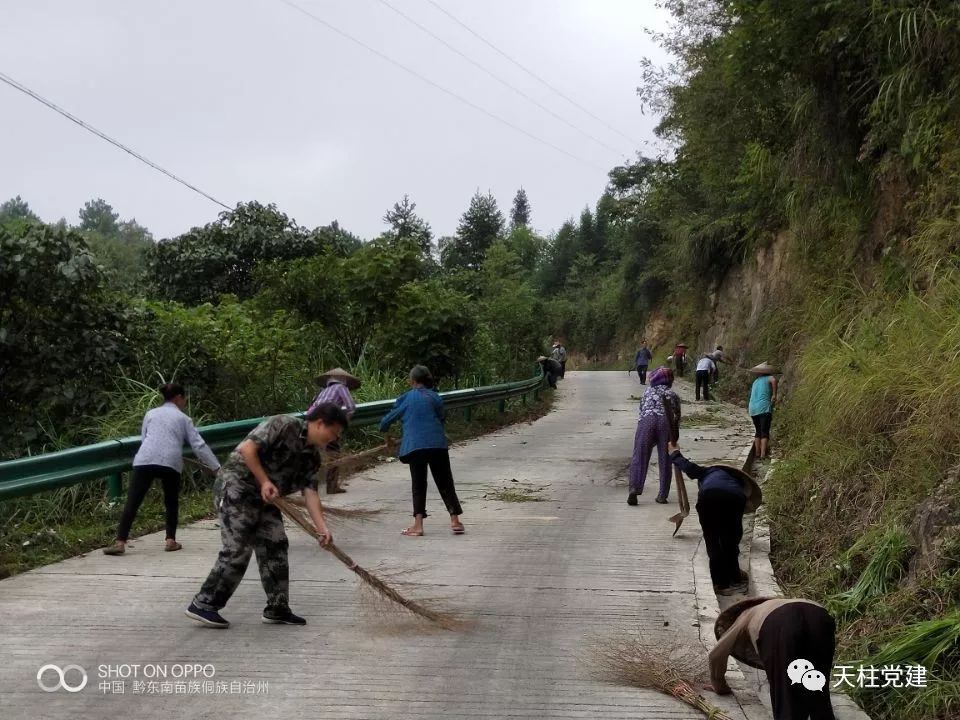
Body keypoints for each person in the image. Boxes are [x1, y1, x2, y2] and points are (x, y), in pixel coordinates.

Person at [185, 402, 348, 628]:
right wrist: (264, 481)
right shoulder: (283, 424)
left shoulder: (312, 457)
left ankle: (277, 608)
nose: (334, 439)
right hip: (237, 487)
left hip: (267, 498)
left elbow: (310, 492)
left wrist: (322, 528)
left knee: (276, 544)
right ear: (320, 423)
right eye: (334, 433)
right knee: (238, 548)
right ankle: (204, 604)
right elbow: (247, 449)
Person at [103, 383, 220, 556]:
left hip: (145, 459)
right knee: (171, 501)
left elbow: (145, 438)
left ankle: (120, 542)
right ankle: (170, 541)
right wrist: (216, 467)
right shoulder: (183, 419)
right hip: (170, 462)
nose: (185, 402)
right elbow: (199, 445)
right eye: (184, 398)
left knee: (133, 501)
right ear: (178, 398)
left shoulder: (150, 414)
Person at [708, 597, 837, 720]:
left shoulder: (746, 614)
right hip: (820, 618)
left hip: (780, 624)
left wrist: (719, 685)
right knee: (819, 686)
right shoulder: (777, 604)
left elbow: (717, 654)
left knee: (785, 695)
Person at [379, 365, 464, 537]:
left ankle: (418, 525)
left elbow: (386, 421)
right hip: (437, 444)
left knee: (418, 483)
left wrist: (386, 430)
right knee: (445, 481)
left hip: (415, 446)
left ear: (412, 381)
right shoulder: (435, 397)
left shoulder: (406, 398)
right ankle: (455, 520)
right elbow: (441, 418)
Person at [668, 442, 761, 594]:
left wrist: (674, 453)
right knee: (731, 540)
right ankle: (734, 576)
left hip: (708, 498)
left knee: (713, 540)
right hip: (735, 499)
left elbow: (688, 468)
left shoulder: (706, 472)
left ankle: (721, 584)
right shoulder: (737, 483)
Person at [627, 367, 681, 506]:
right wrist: (675, 437)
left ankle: (634, 488)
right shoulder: (672, 394)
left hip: (647, 421)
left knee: (639, 455)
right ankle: (662, 495)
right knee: (665, 459)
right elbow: (676, 417)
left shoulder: (647, 392)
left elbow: (641, 410)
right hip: (666, 423)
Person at [308, 367, 361, 494]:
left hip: (313, 424)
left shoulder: (324, 390)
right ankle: (331, 486)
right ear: (344, 379)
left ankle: (310, 485)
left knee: (313, 454)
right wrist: (341, 424)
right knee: (334, 453)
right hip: (327, 424)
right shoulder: (341, 388)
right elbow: (351, 407)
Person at [748, 362, 779, 460]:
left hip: (752, 408)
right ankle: (762, 455)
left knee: (758, 431)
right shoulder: (769, 377)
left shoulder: (756, 381)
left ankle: (757, 453)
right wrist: (774, 394)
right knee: (764, 431)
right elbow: (773, 380)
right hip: (763, 408)